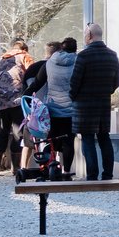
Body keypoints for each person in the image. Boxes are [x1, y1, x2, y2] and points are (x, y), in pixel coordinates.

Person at [70, 23, 119, 181]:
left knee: (87, 139)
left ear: (89, 36)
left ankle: (92, 175)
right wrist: (106, 91)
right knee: (104, 138)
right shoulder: (112, 55)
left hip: (84, 105)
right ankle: (108, 174)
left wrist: (73, 96)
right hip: (103, 103)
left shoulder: (83, 56)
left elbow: (75, 82)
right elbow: (117, 81)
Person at [0, 41, 31, 177]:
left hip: (1, 102)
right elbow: (32, 74)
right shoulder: (24, 56)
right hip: (17, 101)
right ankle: (15, 168)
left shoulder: (1, 60)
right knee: (17, 132)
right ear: (24, 48)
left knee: (2, 132)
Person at [43, 36, 80, 177]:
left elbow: (40, 80)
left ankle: (51, 165)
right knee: (69, 142)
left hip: (53, 108)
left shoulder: (50, 62)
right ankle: (67, 171)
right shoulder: (78, 63)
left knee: (53, 139)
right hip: (71, 110)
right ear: (75, 49)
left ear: (61, 48)